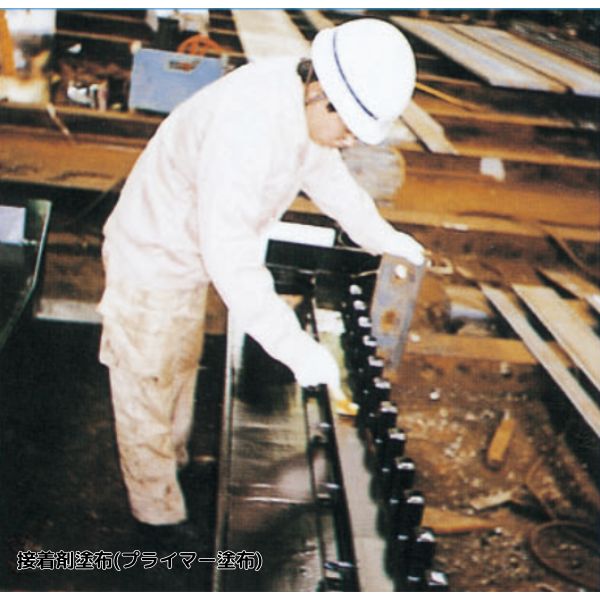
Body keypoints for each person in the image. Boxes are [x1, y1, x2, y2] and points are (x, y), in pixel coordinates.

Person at [97, 18, 425, 545]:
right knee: (148, 382)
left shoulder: (300, 101)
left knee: (176, 367)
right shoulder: (247, 126)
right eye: (348, 129)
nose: (348, 141)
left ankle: (173, 470)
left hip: (186, 257)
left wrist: (382, 236)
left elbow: (328, 177)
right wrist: (295, 348)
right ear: (321, 94)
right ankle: (154, 519)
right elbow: (232, 259)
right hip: (152, 258)